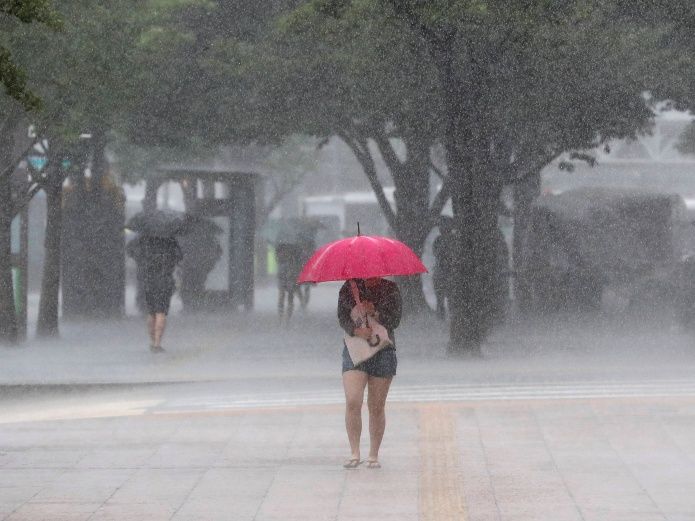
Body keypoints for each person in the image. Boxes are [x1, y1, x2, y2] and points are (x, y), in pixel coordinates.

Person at [337, 277, 402, 469]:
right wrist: (356, 331)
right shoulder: (349, 288)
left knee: (376, 406)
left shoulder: (390, 288)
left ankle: (373, 454)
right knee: (353, 400)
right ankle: (354, 452)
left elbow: (395, 320)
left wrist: (376, 311)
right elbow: (342, 317)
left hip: (382, 350)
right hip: (355, 350)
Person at [133, 235, 183, 352]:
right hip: (164, 281)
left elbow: (133, 252)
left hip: (149, 281)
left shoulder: (144, 240)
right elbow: (179, 257)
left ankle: (152, 341)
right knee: (161, 312)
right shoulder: (170, 240)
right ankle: (157, 343)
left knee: (151, 313)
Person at [276, 242, 303, 324]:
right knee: (282, 296)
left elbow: (296, 270)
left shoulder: (292, 260)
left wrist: (293, 274)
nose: (284, 253)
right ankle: (282, 317)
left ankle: (287, 318)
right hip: (284, 279)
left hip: (290, 279)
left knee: (289, 298)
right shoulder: (281, 259)